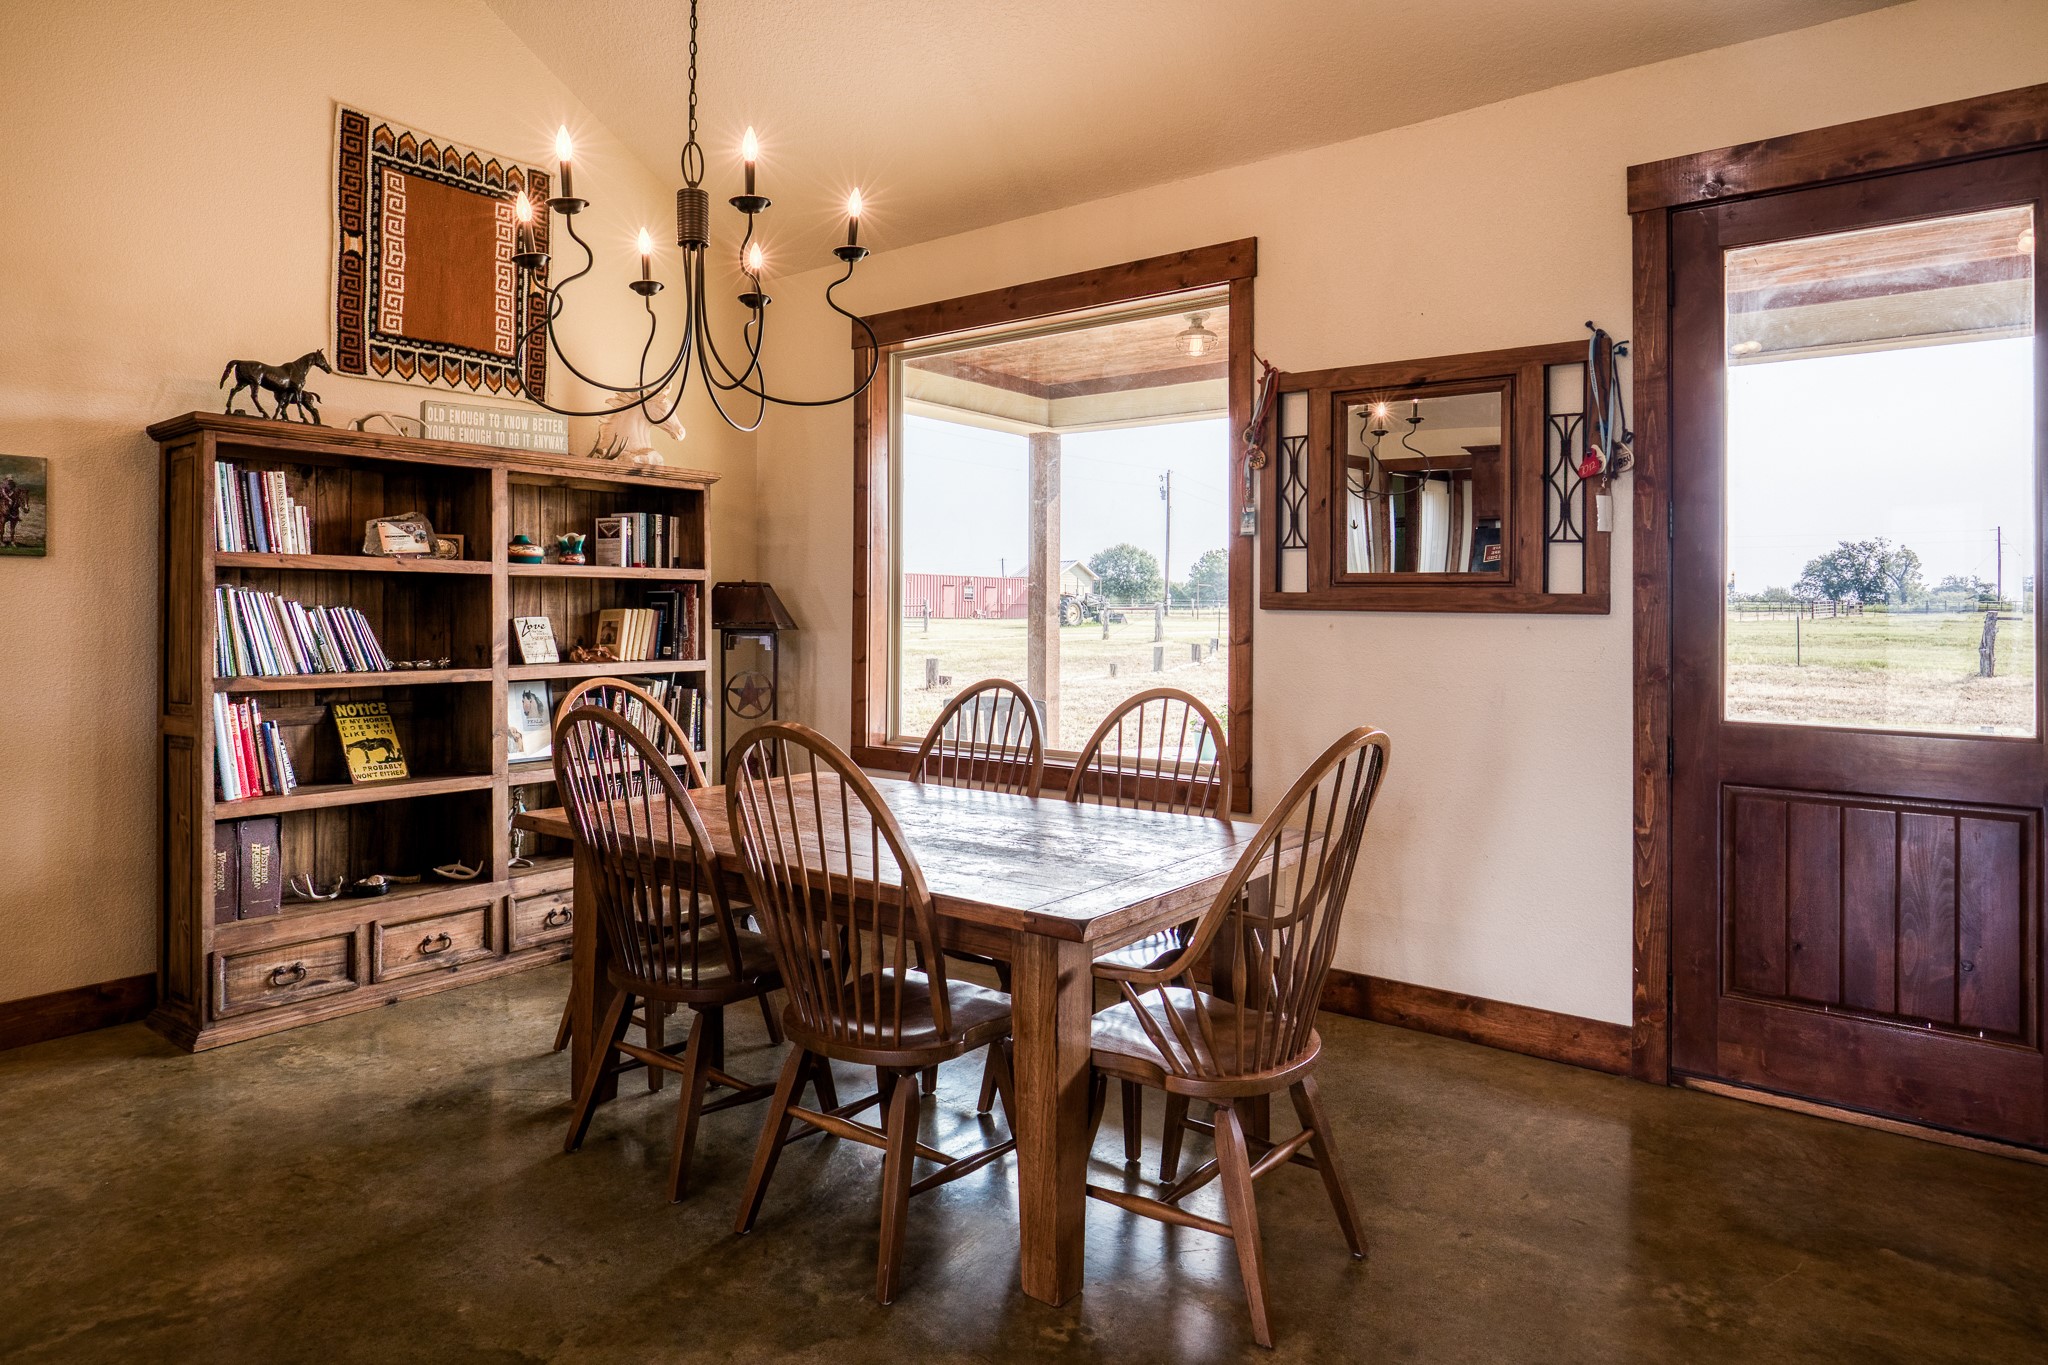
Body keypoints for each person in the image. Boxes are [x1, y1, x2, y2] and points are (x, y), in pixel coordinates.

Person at [0, 477, 21, 548]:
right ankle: (1, 540)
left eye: (11, 481)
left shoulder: (13, 488)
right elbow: (4, 494)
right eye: (9, 481)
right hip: (3, 499)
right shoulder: (3, 487)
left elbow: (16, 495)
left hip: (10, 501)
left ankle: (12, 540)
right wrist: (9, 499)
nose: (10, 482)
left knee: (15, 506)